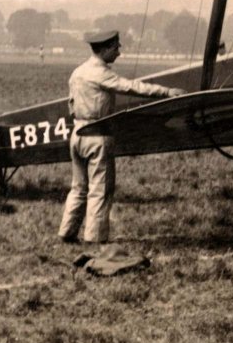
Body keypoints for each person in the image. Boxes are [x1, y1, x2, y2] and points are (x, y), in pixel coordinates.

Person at [58, 30, 185, 244]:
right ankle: (95, 239)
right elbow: (132, 87)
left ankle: (67, 232)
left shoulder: (77, 72)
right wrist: (167, 92)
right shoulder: (101, 73)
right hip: (98, 134)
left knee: (78, 188)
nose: (119, 51)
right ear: (105, 49)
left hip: (77, 133)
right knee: (101, 188)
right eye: (116, 47)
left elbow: (71, 104)